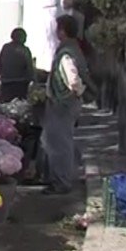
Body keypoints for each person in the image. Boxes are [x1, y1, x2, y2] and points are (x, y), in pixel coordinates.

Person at [40, 15, 93, 195]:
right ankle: (58, 178)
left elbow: (73, 80)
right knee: (56, 141)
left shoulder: (67, 53)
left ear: (63, 30)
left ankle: (61, 182)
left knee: (59, 144)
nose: (56, 32)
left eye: (58, 29)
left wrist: (74, 94)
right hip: (64, 103)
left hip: (62, 105)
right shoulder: (72, 48)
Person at [0, 28, 35, 103]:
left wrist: (2, 74)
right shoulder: (25, 50)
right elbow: (29, 68)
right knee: (19, 107)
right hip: (20, 84)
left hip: (5, 83)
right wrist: (32, 79)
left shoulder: (5, 47)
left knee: (5, 107)